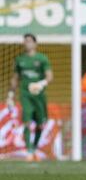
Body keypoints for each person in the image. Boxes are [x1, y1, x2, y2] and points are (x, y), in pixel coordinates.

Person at [6, 33, 53, 162]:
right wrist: (10, 95)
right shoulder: (19, 59)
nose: (26, 43)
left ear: (35, 43)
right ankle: (29, 151)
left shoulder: (42, 58)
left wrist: (40, 83)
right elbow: (15, 79)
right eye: (25, 41)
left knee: (40, 124)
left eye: (29, 41)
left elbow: (50, 77)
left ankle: (34, 148)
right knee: (26, 121)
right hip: (25, 95)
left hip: (39, 96)